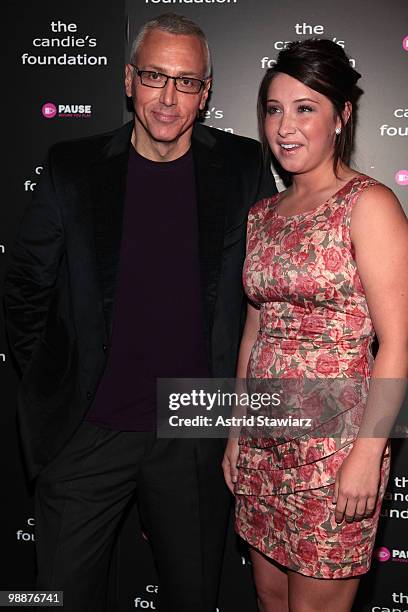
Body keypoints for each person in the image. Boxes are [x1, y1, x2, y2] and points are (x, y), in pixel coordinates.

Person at [3, 13, 276, 612]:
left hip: (194, 432)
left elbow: (270, 290)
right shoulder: (72, 168)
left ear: (205, 94)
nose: (169, 97)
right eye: (155, 76)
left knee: (193, 598)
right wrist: (54, 379)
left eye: (186, 82)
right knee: (57, 598)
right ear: (129, 80)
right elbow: (24, 288)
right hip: (88, 431)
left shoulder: (242, 168)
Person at [222, 39, 408, 612]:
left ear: (341, 115)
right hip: (263, 442)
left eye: (305, 108)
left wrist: (367, 451)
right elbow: (256, 330)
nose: (285, 126)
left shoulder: (367, 204)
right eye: (274, 109)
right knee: (269, 598)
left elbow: (399, 340)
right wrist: (235, 430)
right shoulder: (262, 215)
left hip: (335, 449)